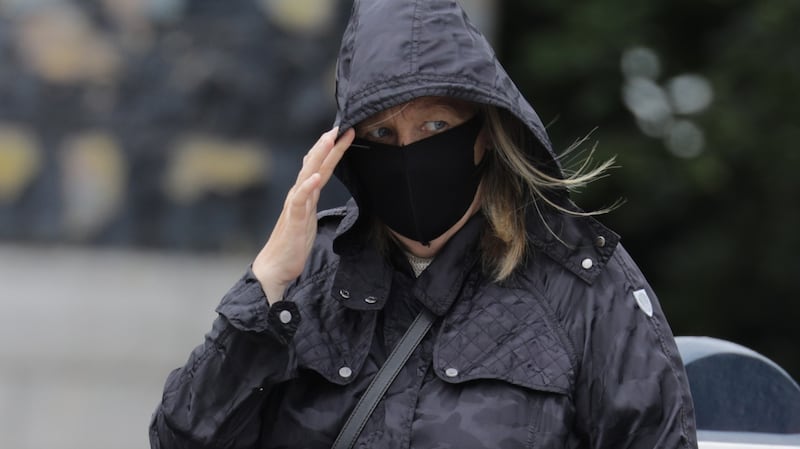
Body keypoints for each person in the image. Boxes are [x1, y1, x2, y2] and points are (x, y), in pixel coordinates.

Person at [149, 0, 698, 448]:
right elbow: (181, 438)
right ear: (347, 149)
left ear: (484, 133)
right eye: (383, 135)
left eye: (434, 124)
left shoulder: (582, 284)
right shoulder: (307, 278)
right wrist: (267, 282)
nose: (409, 152)